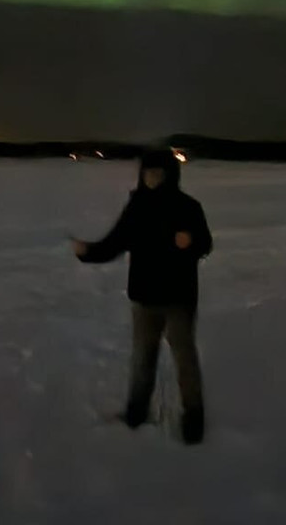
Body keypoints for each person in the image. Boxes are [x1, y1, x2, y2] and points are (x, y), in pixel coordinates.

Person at [71, 148, 213, 444]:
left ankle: (194, 416)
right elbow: (116, 241)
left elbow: (206, 243)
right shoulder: (137, 208)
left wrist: (192, 241)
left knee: (184, 359)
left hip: (178, 299)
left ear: (169, 176)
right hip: (145, 299)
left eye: (158, 173)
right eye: (148, 173)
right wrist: (89, 252)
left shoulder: (187, 207)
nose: (152, 178)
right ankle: (136, 412)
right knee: (142, 361)